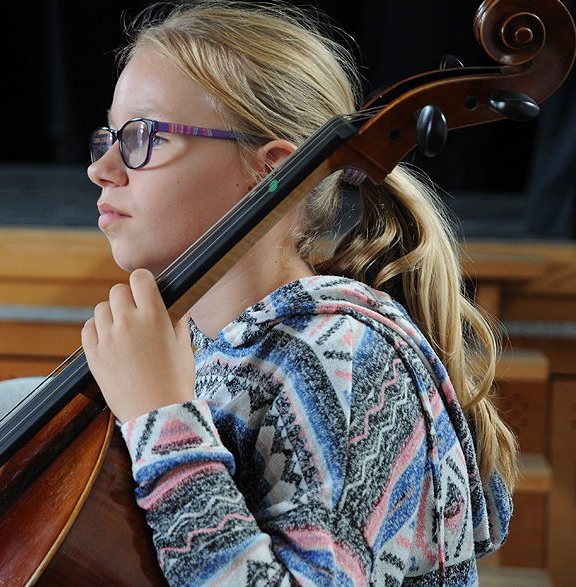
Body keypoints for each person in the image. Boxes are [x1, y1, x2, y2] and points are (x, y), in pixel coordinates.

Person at [79, 1, 516, 586]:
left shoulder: (336, 361)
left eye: (143, 136)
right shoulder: (207, 346)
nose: (103, 168)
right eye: (108, 136)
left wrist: (162, 423)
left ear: (268, 171)